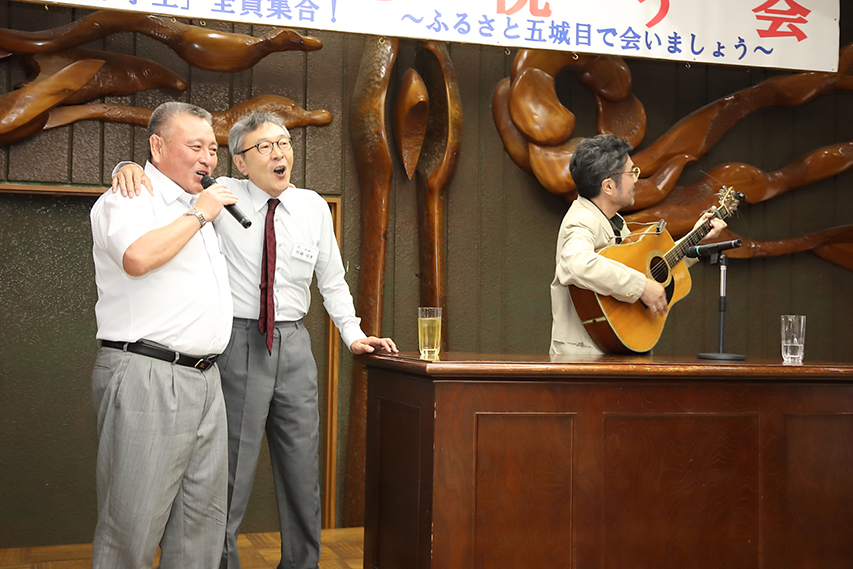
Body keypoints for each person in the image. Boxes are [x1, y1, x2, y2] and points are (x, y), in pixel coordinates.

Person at [113, 111, 398, 569]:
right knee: (229, 474)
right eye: (264, 146)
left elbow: (332, 281)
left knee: (302, 470)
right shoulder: (219, 193)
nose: (279, 153)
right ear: (242, 163)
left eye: (283, 143)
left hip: (295, 345)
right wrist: (124, 167)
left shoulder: (312, 207)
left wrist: (354, 335)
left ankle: (302, 563)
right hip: (239, 343)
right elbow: (168, 178)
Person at [89, 102, 239, 569]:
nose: (208, 158)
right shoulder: (131, 195)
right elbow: (137, 258)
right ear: (157, 146)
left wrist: (201, 211)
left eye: (213, 149)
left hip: (207, 379)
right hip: (148, 374)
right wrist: (199, 215)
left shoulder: (203, 202)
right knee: (130, 527)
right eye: (195, 146)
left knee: (200, 527)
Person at [550, 133, 726, 356]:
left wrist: (697, 236)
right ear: (608, 186)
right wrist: (641, 286)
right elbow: (576, 263)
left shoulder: (614, 222)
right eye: (631, 172)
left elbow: (653, 267)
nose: (636, 180)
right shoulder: (581, 219)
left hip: (615, 349)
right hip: (583, 356)